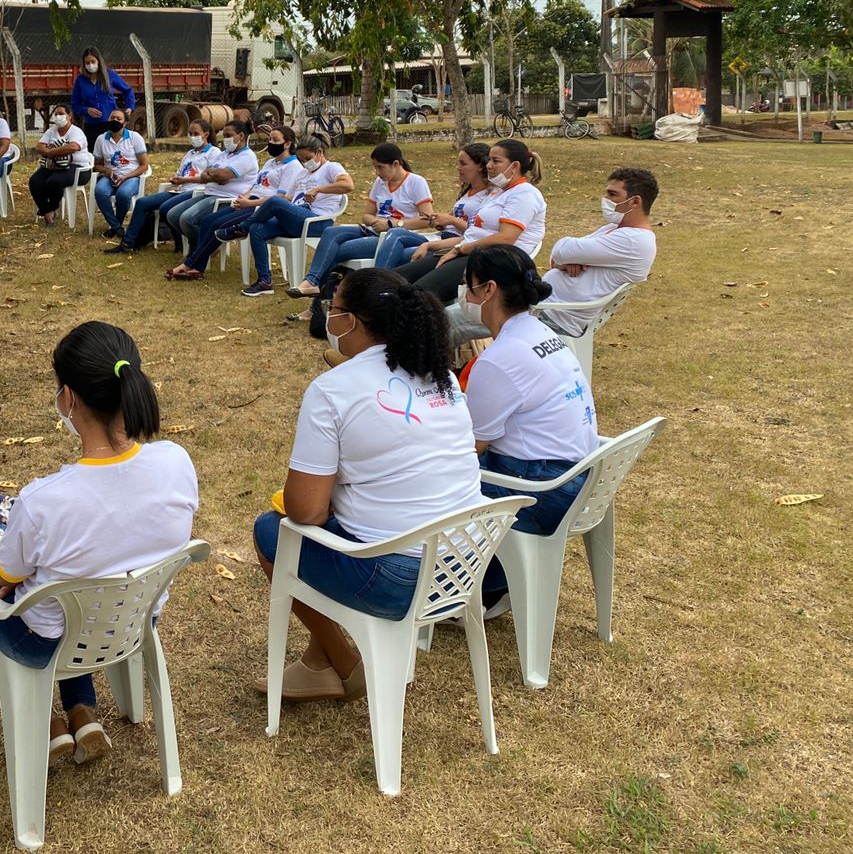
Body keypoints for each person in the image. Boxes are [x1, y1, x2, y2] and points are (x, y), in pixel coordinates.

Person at [0, 321, 197, 764]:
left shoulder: (43, 500)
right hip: (131, 623)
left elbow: (11, 574)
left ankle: (46, 714)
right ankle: (82, 710)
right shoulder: (177, 463)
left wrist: (4, 568)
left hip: (49, 640)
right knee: (70, 593)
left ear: (68, 398)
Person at [252, 269, 483, 702]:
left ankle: (345, 663)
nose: (328, 318)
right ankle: (317, 663)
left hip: (400, 578)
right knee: (340, 520)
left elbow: (306, 511)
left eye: (333, 309)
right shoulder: (443, 376)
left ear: (351, 321)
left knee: (272, 531)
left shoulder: (332, 389)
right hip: (466, 564)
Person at [461, 246, 598, 604]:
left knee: (426, 476)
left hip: (540, 491)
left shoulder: (498, 359)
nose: (465, 296)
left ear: (488, 290)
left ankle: (470, 587)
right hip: (578, 477)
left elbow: (469, 449)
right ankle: (496, 579)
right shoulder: (542, 333)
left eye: (468, 286)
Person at [391, 138, 546, 303]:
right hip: (467, 252)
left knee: (414, 297)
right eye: (489, 160)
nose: (489, 165)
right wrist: (430, 245)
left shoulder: (525, 194)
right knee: (392, 280)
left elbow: (505, 238)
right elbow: (472, 235)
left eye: (496, 161)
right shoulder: (497, 193)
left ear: (515, 166)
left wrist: (460, 249)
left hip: (489, 261)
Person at [288, 143, 436, 298]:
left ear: (396, 164)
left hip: (394, 236)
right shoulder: (380, 183)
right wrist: (376, 221)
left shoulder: (416, 182)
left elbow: (427, 219)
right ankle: (311, 282)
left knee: (335, 251)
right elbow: (366, 215)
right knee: (331, 232)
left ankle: (321, 300)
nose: (377, 172)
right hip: (373, 230)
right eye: (375, 167)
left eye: (380, 167)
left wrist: (392, 224)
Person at [166, 125, 302, 281]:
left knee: (219, 224)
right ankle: (197, 267)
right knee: (208, 221)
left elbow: (279, 199)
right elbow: (256, 186)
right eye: (270, 139)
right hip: (247, 201)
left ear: (287, 144)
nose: (270, 142)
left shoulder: (293, 166)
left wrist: (249, 203)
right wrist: (244, 197)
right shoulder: (271, 163)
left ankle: (190, 265)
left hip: (261, 208)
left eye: (275, 140)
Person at [538, 168, 659, 336]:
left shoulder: (633, 241)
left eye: (612, 194)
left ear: (635, 202)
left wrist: (566, 258)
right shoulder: (615, 228)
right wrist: (563, 260)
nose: (605, 199)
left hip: (553, 319)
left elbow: (561, 250)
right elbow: (555, 258)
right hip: (544, 308)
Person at [231, 135, 353, 296]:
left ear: (320, 152)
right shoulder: (303, 173)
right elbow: (288, 198)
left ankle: (241, 227)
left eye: (308, 158)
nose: (305, 163)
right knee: (257, 228)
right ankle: (265, 281)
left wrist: (318, 189)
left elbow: (348, 185)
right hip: (297, 217)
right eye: (301, 159)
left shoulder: (331, 167)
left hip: (316, 221)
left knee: (274, 201)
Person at [104, 120, 220, 253]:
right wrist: (176, 180)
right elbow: (180, 173)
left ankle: (181, 244)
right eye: (190, 133)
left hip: (196, 193)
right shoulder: (190, 153)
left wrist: (184, 180)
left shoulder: (214, 152)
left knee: (166, 209)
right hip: (179, 190)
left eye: (196, 133)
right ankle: (127, 243)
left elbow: (211, 178)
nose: (192, 136)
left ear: (205, 135)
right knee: (142, 203)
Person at [89, 107, 151, 238]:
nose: (115, 120)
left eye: (119, 119)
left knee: (123, 194)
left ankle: (115, 226)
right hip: (110, 176)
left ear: (125, 123)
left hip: (131, 176)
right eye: (112, 118)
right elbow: (96, 165)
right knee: (100, 191)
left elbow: (144, 165)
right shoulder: (101, 139)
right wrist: (106, 170)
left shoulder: (135, 137)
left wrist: (126, 177)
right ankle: (117, 227)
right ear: (108, 119)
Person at [28, 104, 94, 224]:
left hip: (78, 168)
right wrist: (51, 153)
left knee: (53, 182)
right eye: (56, 114)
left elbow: (73, 147)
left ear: (70, 116)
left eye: (61, 114)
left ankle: (52, 208)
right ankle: (47, 211)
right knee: (35, 181)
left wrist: (51, 152)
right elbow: (39, 146)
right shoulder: (51, 131)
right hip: (54, 165)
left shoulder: (76, 131)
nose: (58, 116)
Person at [70, 47, 136, 149]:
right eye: (87, 63)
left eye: (93, 61)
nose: (90, 65)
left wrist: (130, 107)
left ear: (98, 61)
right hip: (91, 125)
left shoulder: (110, 75)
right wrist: (86, 110)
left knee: (112, 151)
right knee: (93, 154)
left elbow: (127, 90)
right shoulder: (80, 80)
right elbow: (75, 104)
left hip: (110, 123)